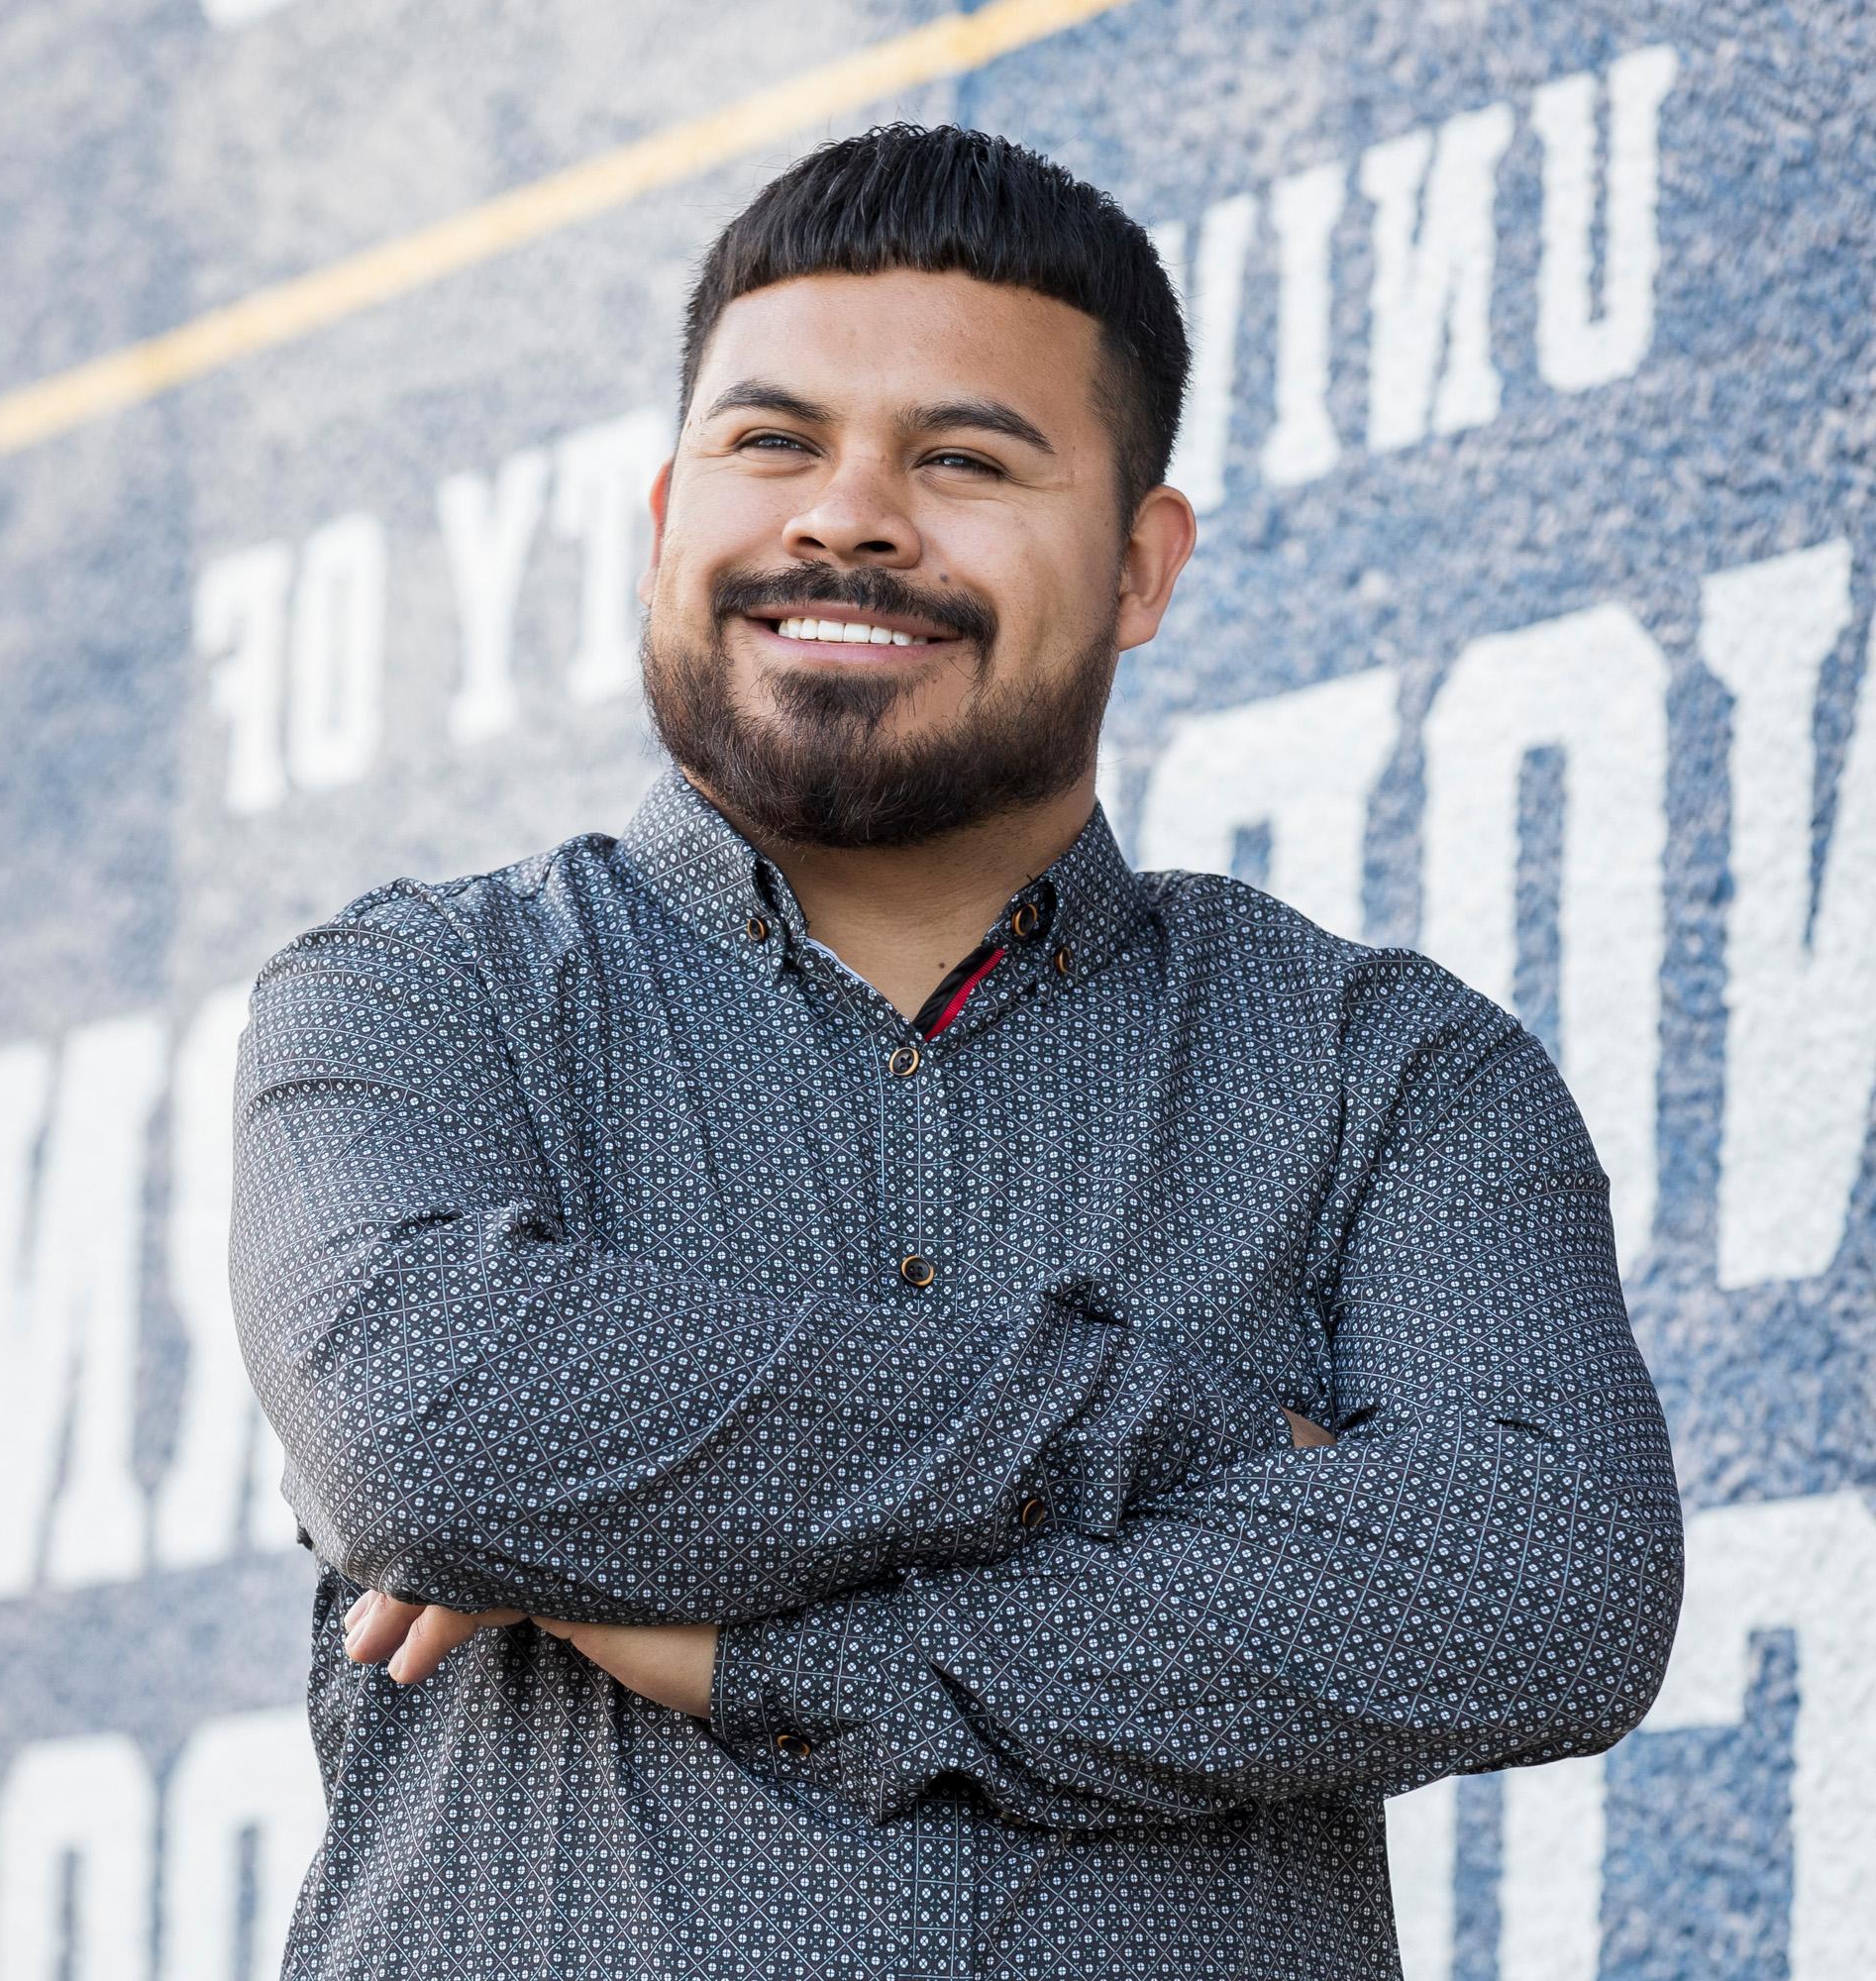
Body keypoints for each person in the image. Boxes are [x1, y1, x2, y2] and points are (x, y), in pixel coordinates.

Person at [230, 121, 1684, 1980]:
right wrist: (1199, 1430)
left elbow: (1545, 1590)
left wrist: (787, 1661)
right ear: (671, 519)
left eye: (965, 459)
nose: (846, 516)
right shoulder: (422, 997)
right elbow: (429, 1441)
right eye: (772, 442)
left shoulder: (1386, 1072)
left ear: (1144, 568)